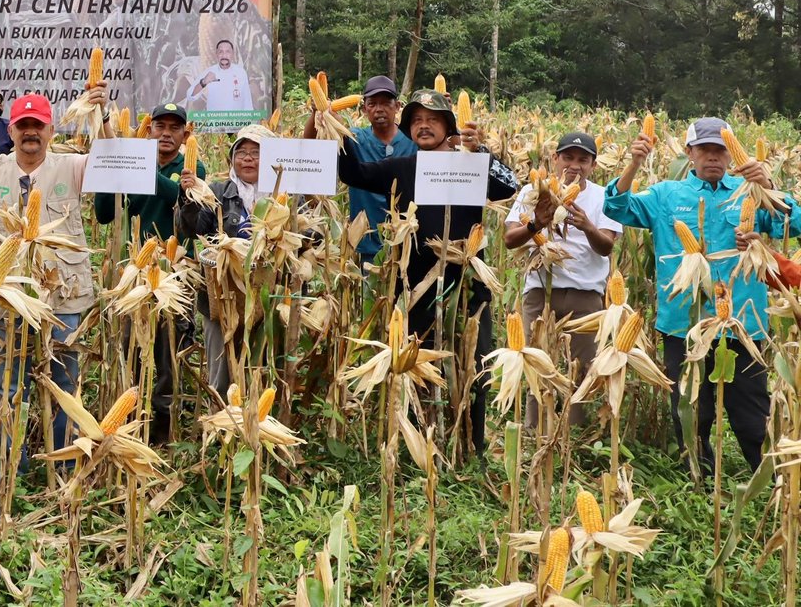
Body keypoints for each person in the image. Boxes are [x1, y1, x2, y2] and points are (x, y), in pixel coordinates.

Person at [604, 117, 801, 471]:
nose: (713, 157)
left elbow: (794, 223)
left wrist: (768, 185)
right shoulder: (665, 195)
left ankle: (769, 478)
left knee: (752, 415)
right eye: (705, 149)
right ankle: (697, 474)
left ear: (731, 156)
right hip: (684, 323)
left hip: (743, 323)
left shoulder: (751, 194)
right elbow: (617, 207)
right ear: (689, 153)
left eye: (720, 150)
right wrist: (633, 163)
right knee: (693, 411)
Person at [335, 88, 519, 453]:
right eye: (417, 121)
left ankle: (472, 443)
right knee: (419, 365)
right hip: (416, 285)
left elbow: (507, 186)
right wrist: (334, 127)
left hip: (467, 282)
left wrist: (480, 150)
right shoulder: (404, 167)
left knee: (473, 362)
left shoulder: (470, 161)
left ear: (448, 126)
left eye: (432, 120)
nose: (423, 126)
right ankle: (423, 442)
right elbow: (354, 173)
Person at [0, 90, 110, 448]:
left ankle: (63, 455)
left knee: (65, 382)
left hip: (64, 295)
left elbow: (114, 165)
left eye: (38, 126)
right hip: (7, 295)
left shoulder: (72, 166)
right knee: (10, 385)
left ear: (50, 131)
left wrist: (102, 116)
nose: (30, 132)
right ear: (11, 130)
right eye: (23, 126)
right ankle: (11, 463)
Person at [93, 102, 207, 444]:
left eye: (175, 128)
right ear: (150, 129)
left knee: (168, 351)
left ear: (184, 134)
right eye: (160, 127)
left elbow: (184, 200)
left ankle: (163, 427)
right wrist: (112, 173)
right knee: (131, 346)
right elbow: (102, 215)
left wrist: (137, 165)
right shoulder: (131, 162)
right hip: (136, 272)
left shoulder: (190, 167)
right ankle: (130, 418)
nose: (167, 134)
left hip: (177, 272)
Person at [503, 131, 620, 409]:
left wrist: (587, 225)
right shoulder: (533, 193)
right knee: (537, 364)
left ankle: (573, 437)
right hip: (540, 291)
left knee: (581, 371)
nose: (574, 165)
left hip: (586, 295)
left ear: (593, 165)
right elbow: (509, 239)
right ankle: (535, 430)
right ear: (555, 159)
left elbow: (606, 247)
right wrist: (536, 224)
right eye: (568, 157)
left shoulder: (604, 198)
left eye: (583, 160)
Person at [188, 124, 268, 396]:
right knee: (221, 376)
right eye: (241, 152)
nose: (247, 158)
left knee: (259, 370)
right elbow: (193, 230)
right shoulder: (219, 192)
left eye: (256, 153)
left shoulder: (282, 195)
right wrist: (188, 199)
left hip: (265, 298)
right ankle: (219, 427)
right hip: (220, 296)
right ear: (232, 159)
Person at [342, 76, 416, 267]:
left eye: (386, 103)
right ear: (364, 109)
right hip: (367, 244)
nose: (379, 109)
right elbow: (310, 144)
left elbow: (449, 152)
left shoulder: (414, 140)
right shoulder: (353, 138)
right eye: (373, 104)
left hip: (408, 244)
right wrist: (319, 114)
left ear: (397, 106)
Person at [187, 39, 253, 112]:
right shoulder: (209, 72)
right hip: (215, 121)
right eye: (221, 52)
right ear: (216, 54)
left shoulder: (241, 72)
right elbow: (190, 95)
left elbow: (247, 101)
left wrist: (248, 120)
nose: (224, 55)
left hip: (235, 121)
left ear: (233, 54)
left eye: (228, 52)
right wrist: (204, 82)